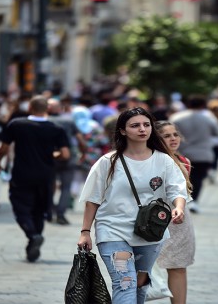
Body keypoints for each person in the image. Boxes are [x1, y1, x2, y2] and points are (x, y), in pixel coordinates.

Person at [77, 107, 188, 304]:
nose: (142, 129)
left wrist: (178, 207)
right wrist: (85, 231)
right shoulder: (108, 162)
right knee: (124, 281)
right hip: (113, 231)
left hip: (151, 233)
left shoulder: (163, 160)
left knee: (139, 280)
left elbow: (177, 190)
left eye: (146, 125)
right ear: (122, 130)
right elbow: (93, 199)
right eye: (135, 125)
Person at [0, 95, 70, 262]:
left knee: (21, 207)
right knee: (39, 210)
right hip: (46, 176)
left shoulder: (17, 124)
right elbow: (65, 154)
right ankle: (35, 239)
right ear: (47, 109)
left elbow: (3, 148)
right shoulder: (56, 128)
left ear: (29, 108)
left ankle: (32, 235)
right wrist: (51, 154)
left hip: (22, 174)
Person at [154, 120, 195, 304]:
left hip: (178, 220)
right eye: (166, 136)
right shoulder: (149, 160)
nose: (173, 139)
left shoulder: (184, 161)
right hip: (152, 218)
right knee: (142, 268)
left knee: (178, 266)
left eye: (175, 134)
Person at [170, 95, 218, 213]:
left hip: (181, 153)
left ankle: (183, 200)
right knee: (198, 178)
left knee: (183, 178)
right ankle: (194, 200)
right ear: (203, 105)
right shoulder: (208, 118)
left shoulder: (176, 117)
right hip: (203, 153)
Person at [47, 98, 87, 225]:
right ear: (60, 108)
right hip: (67, 156)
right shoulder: (69, 121)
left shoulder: (44, 121)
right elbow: (80, 140)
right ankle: (60, 214)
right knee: (66, 187)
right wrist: (83, 153)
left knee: (48, 186)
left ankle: (49, 211)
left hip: (48, 157)